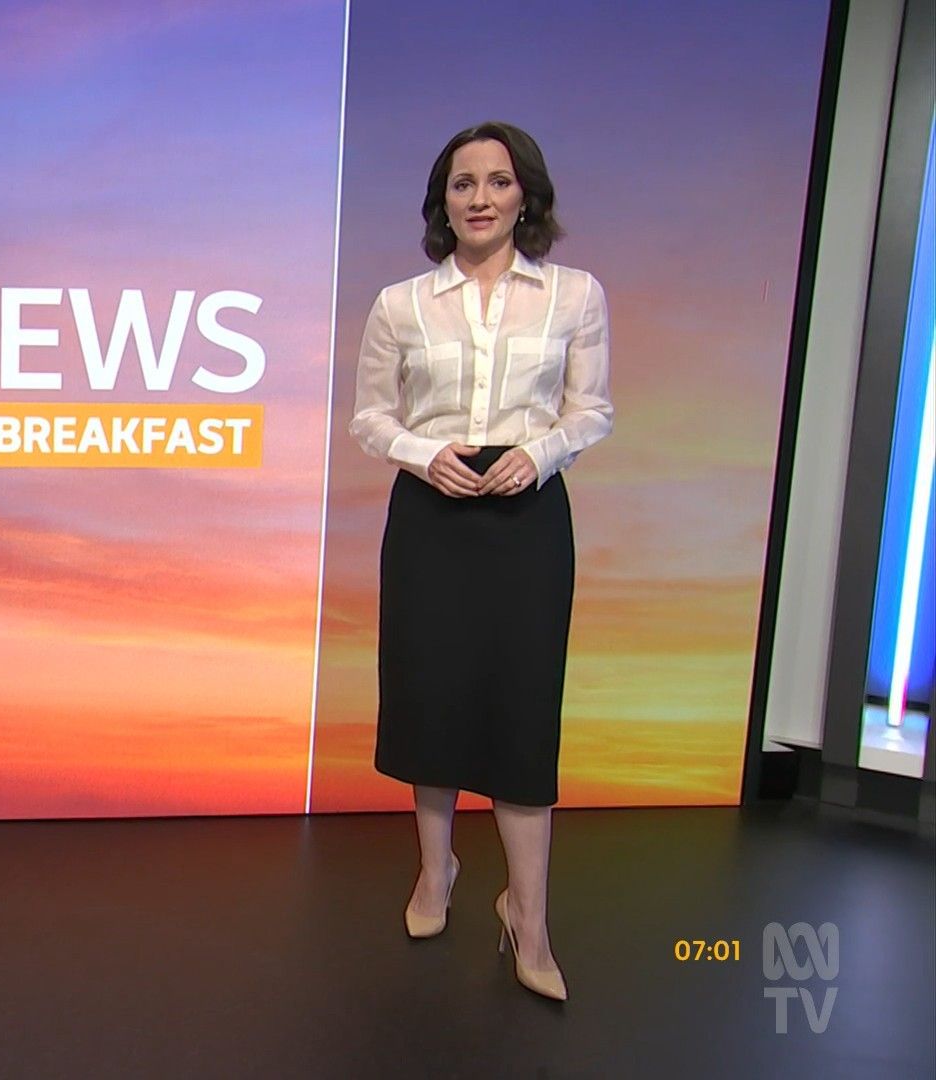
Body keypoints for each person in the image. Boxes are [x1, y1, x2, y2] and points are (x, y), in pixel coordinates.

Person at [348, 121, 612, 1002]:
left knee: (521, 713)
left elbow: (591, 410)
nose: (481, 198)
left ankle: (528, 919)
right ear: (443, 201)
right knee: (432, 701)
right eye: (463, 184)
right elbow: (371, 417)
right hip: (432, 517)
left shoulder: (575, 294)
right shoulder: (400, 304)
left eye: (498, 182)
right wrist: (426, 456)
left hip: (527, 518)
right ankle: (438, 873)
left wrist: (537, 455)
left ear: (525, 195)